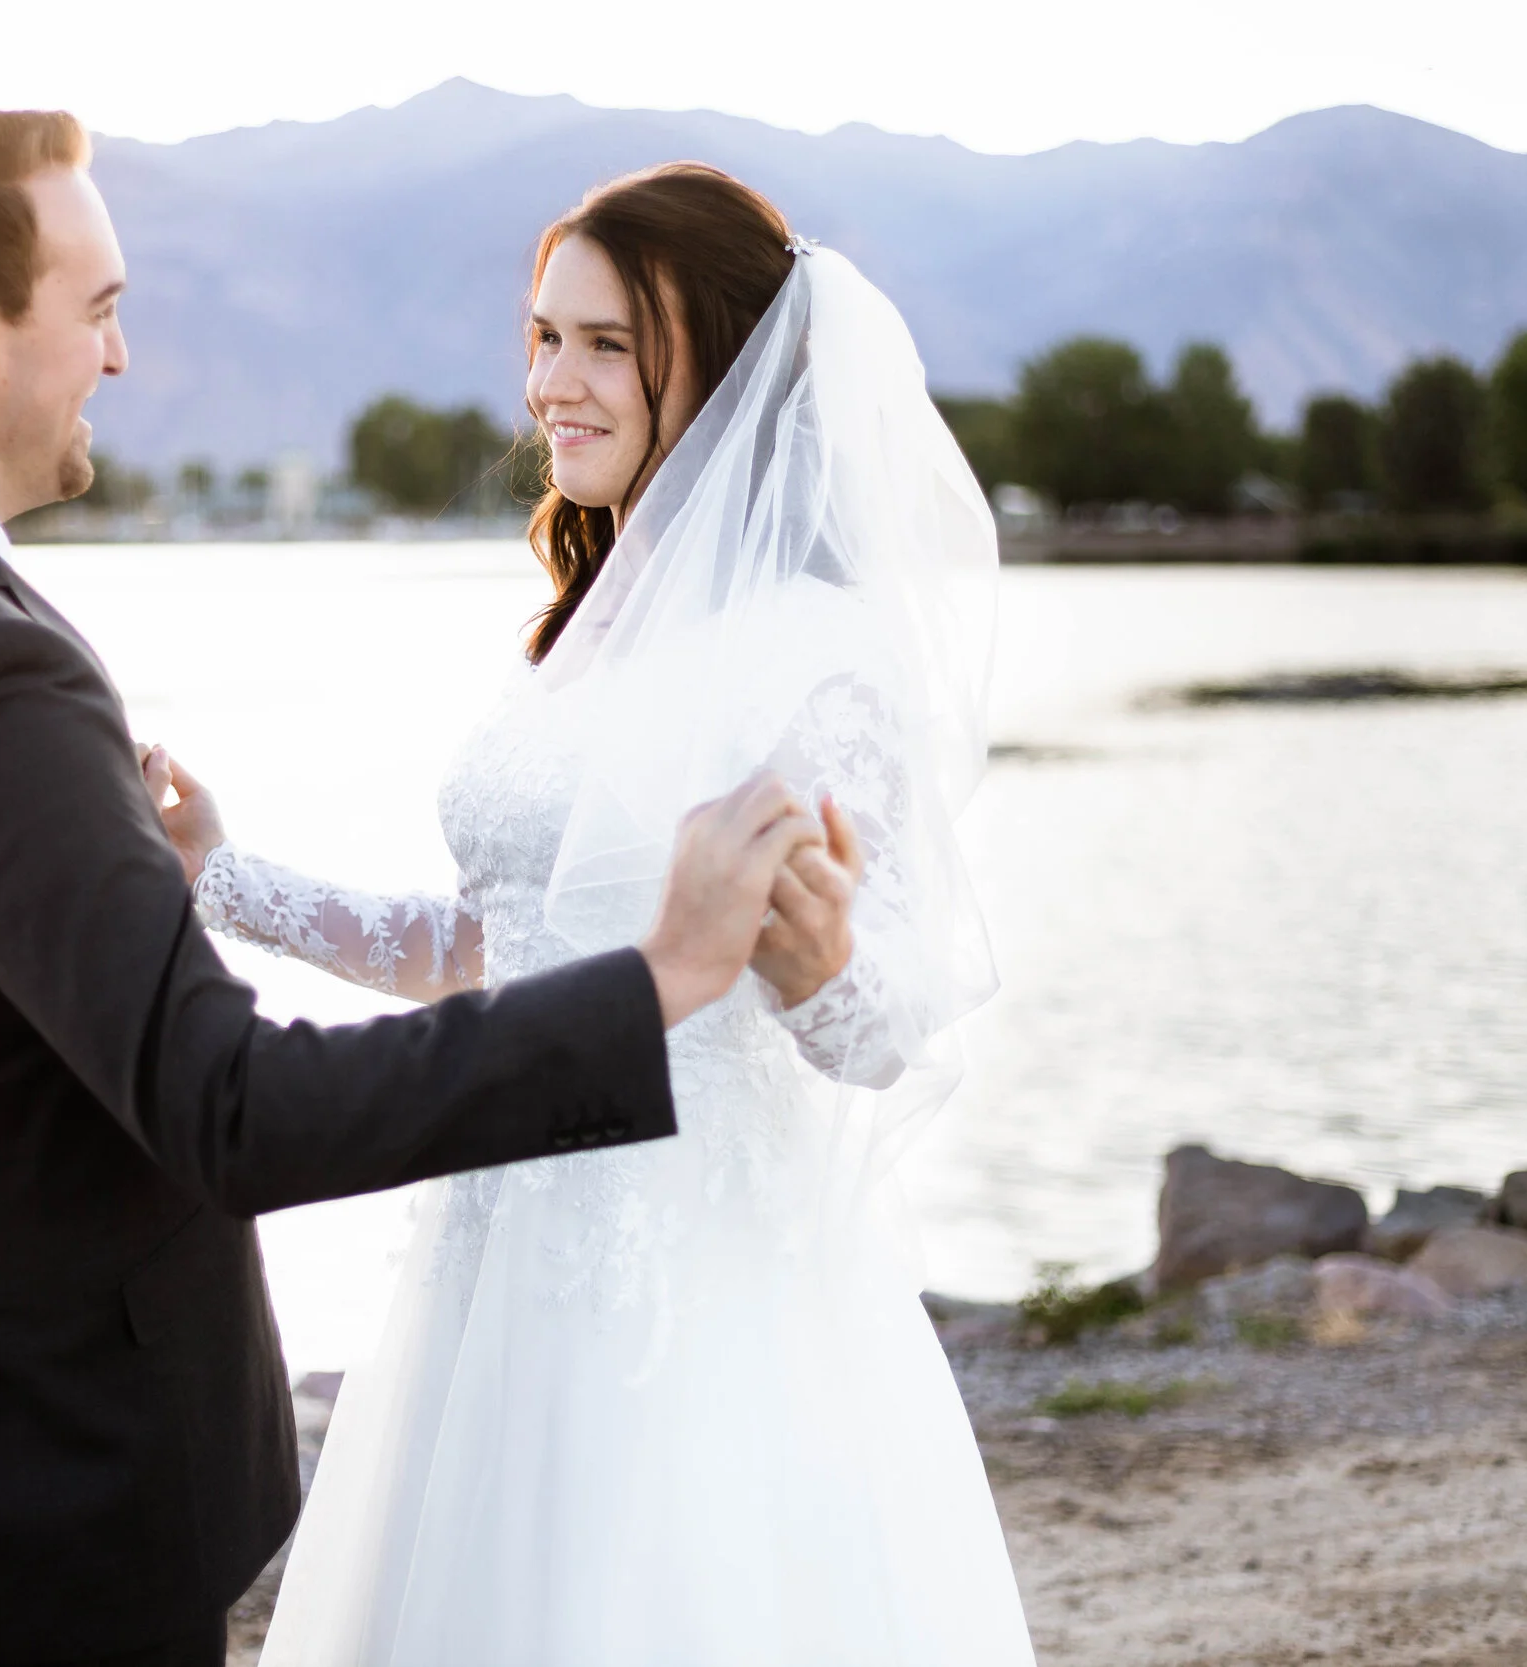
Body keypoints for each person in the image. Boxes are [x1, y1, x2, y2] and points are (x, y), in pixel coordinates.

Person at [0, 113, 850, 1667]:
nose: (120, 355)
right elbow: (229, 1107)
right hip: (52, 1479)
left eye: (601, 344)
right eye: (96, 309)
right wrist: (660, 982)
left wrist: (219, 879)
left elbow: (507, 940)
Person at [170, 165, 1035, 1664]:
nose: (547, 386)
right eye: (540, 337)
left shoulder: (813, 650)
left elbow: (885, 1020)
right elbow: (488, 952)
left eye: (601, 345)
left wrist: (822, 964)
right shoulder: (590, 623)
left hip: (693, 1284)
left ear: (717, 356)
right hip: (493, 1253)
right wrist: (223, 876)